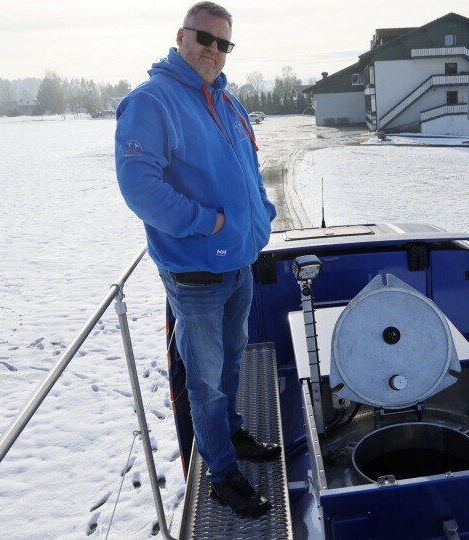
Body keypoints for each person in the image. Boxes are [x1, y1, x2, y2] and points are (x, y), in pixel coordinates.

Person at [114, 1, 279, 518]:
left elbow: (249, 169)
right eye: (204, 39)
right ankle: (222, 474)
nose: (213, 50)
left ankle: (230, 432)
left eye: (223, 43)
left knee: (232, 361)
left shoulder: (225, 100)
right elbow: (140, 187)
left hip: (239, 263)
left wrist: (262, 213)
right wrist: (207, 223)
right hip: (196, 273)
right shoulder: (153, 101)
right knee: (205, 380)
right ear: (181, 37)